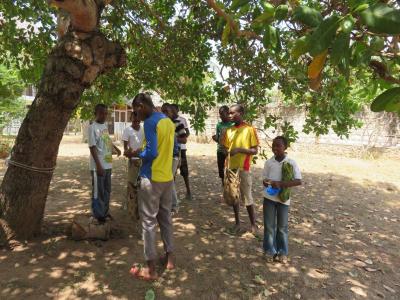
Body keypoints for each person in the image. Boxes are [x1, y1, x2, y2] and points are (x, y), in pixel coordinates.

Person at [129, 93, 176, 281]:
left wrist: (136, 153)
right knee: (165, 218)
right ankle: (170, 258)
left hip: (151, 177)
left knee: (148, 222)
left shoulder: (149, 122)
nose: (136, 116)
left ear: (141, 106)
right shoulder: (167, 120)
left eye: (135, 111)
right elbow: (169, 150)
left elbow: (152, 152)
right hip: (167, 177)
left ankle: (150, 269)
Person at [262, 136, 302, 263]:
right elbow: (264, 179)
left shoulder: (291, 163)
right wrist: (267, 182)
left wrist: (280, 184)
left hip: (283, 199)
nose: (275, 148)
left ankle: (282, 252)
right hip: (269, 197)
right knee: (269, 226)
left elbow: (298, 181)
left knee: (282, 227)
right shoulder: (269, 163)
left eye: (278, 145)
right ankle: (269, 251)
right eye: (273, 145)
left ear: (285, 147)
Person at [221, 104, 259, 234]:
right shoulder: (228, 130)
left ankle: (253, 224)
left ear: (241, 113)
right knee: (234, 196)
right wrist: (227, 151)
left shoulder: (249, 129)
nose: (229, 115)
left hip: (244, 167)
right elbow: (225, 147)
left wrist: (239, 150)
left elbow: (255, 150)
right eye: (229, 113)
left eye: (232, 113)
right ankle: (237, 223)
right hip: (230, 167)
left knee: (247, 196)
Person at [88, 104, 121, 223]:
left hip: (108, 165)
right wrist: (98, 166)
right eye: (102, 113)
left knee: (107, 190)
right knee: (98, 191)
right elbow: (92, 147)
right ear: (95, 113)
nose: (104, 115)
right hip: (98, 167)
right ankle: (98, 215)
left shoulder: (105, 126)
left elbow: (107, 140)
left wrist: (116, 148)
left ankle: (105, 213)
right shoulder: (92, 127)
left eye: (106, 113)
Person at [161, 103, 187, 214]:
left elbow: (184, 140)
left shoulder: (178, 123)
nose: (165, 114)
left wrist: (172, 138)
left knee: (169, 179)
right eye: (163, 111)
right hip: (164, 156)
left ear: (172, 112)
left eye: (167, 111)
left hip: (174, 155)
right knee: (166, 179)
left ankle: (174, 205)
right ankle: (169, 204)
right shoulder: (161, 124)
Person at [122, 111, 144, 234]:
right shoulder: (127, 131)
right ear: (131, 119)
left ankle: (139, 212)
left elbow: (146, 147)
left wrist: (139, 154)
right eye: (134, 120)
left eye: (138, 120)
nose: (136, 122)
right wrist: (132, 154)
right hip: (133, 162)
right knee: (131, 187)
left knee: (142, 189)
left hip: (143, 162)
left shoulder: (144, 130)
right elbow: (125, 151)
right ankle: (131, 209)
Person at [170, 104, 191, 200]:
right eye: (171, 110)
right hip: (171, 150)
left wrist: (177, 139)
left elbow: (187, 133)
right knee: (171, 173)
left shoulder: (182, 120)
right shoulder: (167, 121)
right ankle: (171, 193)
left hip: (181, 148)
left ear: (177, 110)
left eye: (175, 110)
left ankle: (189, 191)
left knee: (184, 170)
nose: (173, 112)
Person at [212, 105, 234, 185]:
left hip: (230, 151)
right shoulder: (219, 125)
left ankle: (231, 186)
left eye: (222, 114)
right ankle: (224, 186)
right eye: (220, 114)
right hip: (220, 150)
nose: (220, 116)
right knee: (221, 170)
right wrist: (216, 139)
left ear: (228, 113)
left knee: (230, 170)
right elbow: (219, 139)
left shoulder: (233, 124)